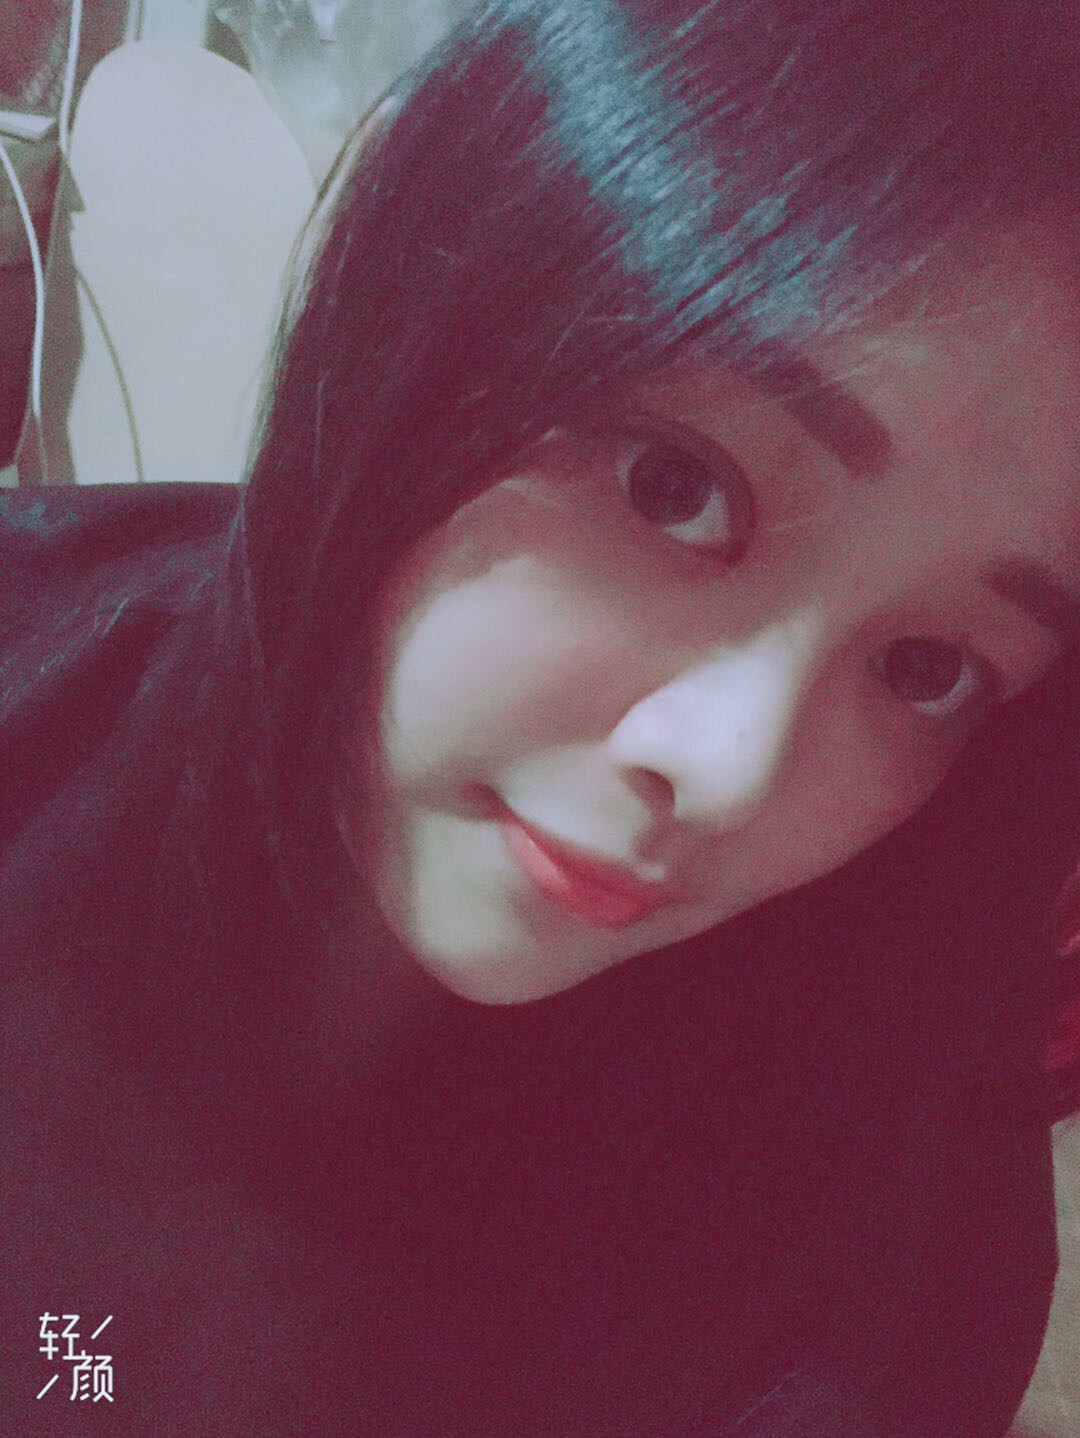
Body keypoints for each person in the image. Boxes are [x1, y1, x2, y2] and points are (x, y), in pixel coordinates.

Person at [2, 1, 1078, 1432]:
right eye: (674, 488)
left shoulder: (882, 1249)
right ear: (411, 291)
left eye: (931, 669)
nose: (731, 768)